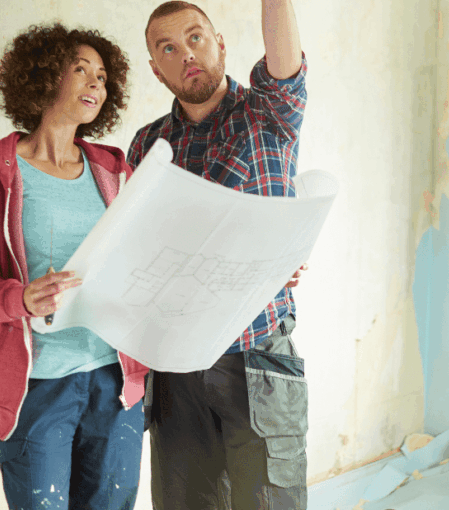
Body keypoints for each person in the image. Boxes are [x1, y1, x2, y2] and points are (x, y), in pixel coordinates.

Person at [0, 23, 148, 510]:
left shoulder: (116, 171)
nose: (94, 84)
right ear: (42, 78)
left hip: (116, 382)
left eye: (102, 76)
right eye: (80, 69)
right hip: (37, 385)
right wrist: (20, 298)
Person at [126, 1, 309, 508]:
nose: (186, 54)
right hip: (176, 365)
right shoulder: (147, 146)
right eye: (168, 48)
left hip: (257, 356)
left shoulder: (268, 113)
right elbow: (139, 252)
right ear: (156, 69)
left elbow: (284, 56)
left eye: (196, 38)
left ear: (221, 43)